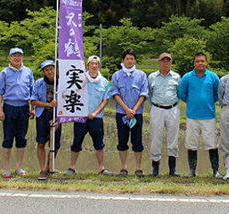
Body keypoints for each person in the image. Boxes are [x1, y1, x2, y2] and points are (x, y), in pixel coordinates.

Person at [66, 55, 113, 176]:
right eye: (91, 63)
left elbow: (105, 100)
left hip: (96, 118)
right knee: (77, 142)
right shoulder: (79, 79)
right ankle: (72, 167)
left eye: (96, 64)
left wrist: (95, 113)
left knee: (99, 143)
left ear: (99, 66)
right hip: (81, 117)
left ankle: (102, 168)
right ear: (87, 66)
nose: (94, 66)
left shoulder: (105, 83)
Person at [178, 52, 221, 178]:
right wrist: (192, 101)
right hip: (192, 116)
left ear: (206, 62)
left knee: (212, 144)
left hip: (209, 116)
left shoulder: (213, 77)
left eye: (202, 61)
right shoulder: (187, 77)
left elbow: (218, 93)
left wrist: (207, 101)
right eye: (198, 61)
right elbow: (182, 93)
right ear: (194, 63)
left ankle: (215, 171)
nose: (200, 63)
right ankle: (192, 170)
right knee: (191, 144)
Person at [0, 47, 35, 178]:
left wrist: (33, 108)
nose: (17, 58)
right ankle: (6, 168)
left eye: (19, 55)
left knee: (22, 138)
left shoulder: (28, 72)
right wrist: (0, 110)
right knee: (8, 138)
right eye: (14, 56)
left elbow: (32, 92)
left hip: (23, 107)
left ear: (22, 57)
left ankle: (18, 167)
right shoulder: (4, 73)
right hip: (9, 107)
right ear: (10, 58)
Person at [111, 48, 149, 177]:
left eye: (132, 59)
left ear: (135, 60)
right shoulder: (116, 75)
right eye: (127, 59)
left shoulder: (142, 75)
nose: (129, 61)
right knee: (122, 140)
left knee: (137, 140)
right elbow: (115, 94)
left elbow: (144, 94)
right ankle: (124, 168)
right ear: (123, 60)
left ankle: (138, 168)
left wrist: (133, 110)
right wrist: (127, 109)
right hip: (121, 113)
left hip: (137, 113)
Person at [148, 52, 181, 177]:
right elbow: (150, 94)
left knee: (173, 138)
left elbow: (179, 93)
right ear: (159, 62)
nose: (165, 63)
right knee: (156, 137)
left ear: (171, 63)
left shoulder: (176, 77)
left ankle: (172, 169)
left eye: (168, 61)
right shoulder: (152, 77)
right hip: (157, 109)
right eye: (163, 61)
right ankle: (155, 168)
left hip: (172, 109)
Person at [32, 59, 62, 180]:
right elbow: (33, 100)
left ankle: (50, 167)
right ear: (43, 72)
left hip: (57, 116)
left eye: (51, 69)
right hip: (42, 115)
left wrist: (58, 119)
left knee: (55, 144)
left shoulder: (62, 82)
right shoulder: (38, 83)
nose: (50, 72)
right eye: (47, 70)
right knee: (41, 142)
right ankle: (42, 169)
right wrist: (49, 105)